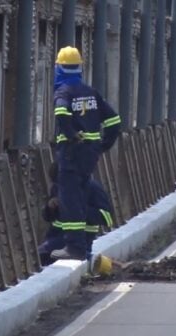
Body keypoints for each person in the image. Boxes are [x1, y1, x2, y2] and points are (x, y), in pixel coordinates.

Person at [51, 46, 120, 260]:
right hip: (89, 155)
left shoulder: (64, 91)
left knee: (70, 198)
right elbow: (114, 120)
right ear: (79, 68)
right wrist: (103, 145)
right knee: (82, 194)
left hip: (71, 154)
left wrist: (71, 133)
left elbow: (61, 111)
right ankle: (85, 245)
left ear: (59, 68)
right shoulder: (90, 92)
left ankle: (75, 248)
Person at [38, 162, 114, 266]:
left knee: (42, 254)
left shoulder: (92, 188)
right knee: (42, 259)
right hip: (55, 236)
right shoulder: (57, 189)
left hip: (81, 237)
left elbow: (107, 218)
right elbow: (48, 217)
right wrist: (50, 207)